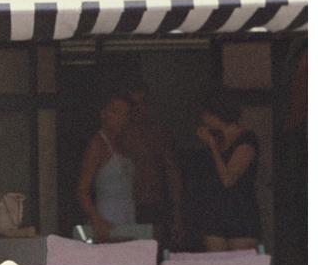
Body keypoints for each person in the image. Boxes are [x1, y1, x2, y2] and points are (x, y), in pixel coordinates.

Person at [193, 95, 261, 251]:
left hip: (240, 212)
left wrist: (212, 146)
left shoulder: (246, 139)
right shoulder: (217, 139)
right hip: (215, 211)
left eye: (205, 114)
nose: (203, 118)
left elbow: (228, 179)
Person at [121, 81, 184, 246]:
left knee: (151, 255)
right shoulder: (118, 135)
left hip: (153, 203)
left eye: (143, 103)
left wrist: (177, 215)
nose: (139, 109)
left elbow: (173, 174)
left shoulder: (159, 134)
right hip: (124, 206)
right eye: (134, 104)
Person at [76, 91, 137, 242]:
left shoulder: (124, 143)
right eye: (116, 112)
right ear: (104, 114)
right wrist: (95, 218)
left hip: (129, 217)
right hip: (107, 218)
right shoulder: (97, 145)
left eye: (125, 114)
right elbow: (82, 189)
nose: (121, 118)